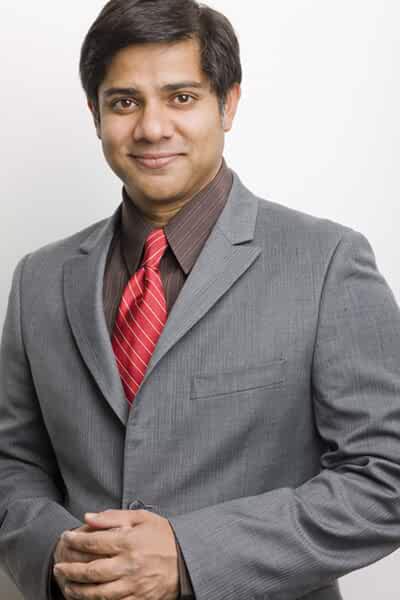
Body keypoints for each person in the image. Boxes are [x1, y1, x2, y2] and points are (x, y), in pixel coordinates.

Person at [1, 0, 400, 599]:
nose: (152, 128)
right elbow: (12, 463)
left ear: (228, 104)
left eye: (181, 97)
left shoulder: (326, 263)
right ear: (95, 114)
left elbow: (386, 479)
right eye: (124, 102)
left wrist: (190, 557)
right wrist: (58, 553)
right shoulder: (39, 278)